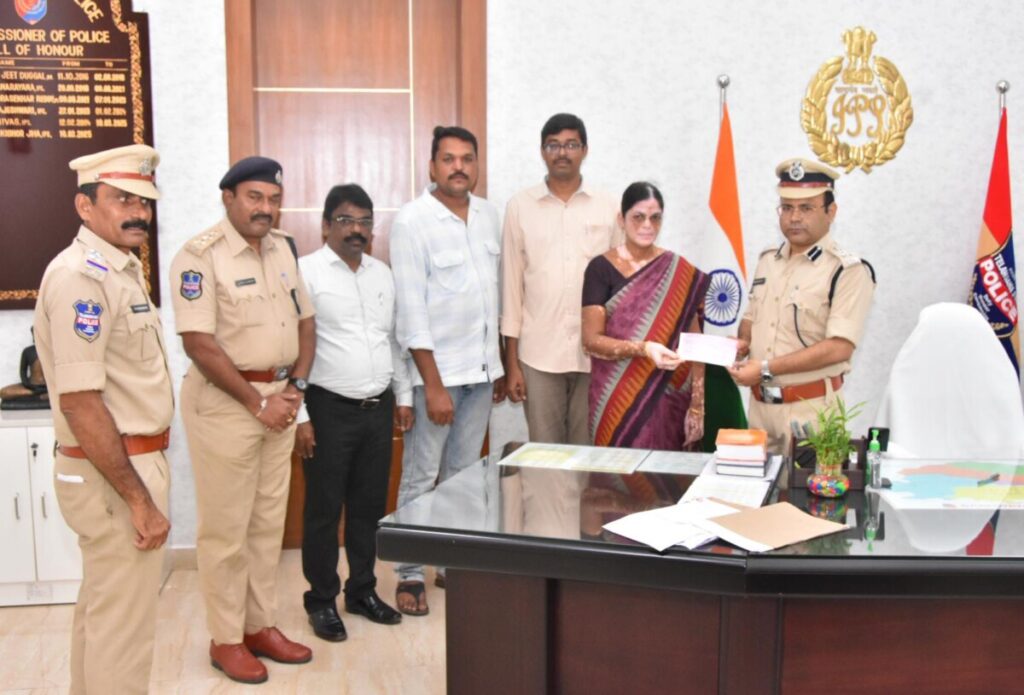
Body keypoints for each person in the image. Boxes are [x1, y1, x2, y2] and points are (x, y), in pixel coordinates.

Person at [170, 156, 316, 685]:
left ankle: (259, 626)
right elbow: (199, 345)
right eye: (255, 197)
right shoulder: (198, 256)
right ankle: (226, 638)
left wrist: (295, 388)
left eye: (273, 199)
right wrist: (257, 403)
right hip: (226, 406)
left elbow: (306, 323)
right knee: (226, 531)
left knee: (266, 526)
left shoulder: (282, 248)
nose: (265, 208)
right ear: (228, 197)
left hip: (280, 402)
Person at [33, 144, 172, 695]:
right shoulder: (81, 278)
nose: (138, 213)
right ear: (85, 206)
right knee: (123, 632)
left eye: (144, 201)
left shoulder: (118, 269)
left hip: (120, 465)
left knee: (104, 612)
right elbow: (81, 403)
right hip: (115, 473)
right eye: (122, 199)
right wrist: (140, 500)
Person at [390, 125, 505, 616]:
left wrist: (500, 364)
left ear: (476, 164)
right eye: (449, 158)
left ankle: (450, 563)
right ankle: (410, 571)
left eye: (467, 158)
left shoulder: (489, 216)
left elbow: (493, 297)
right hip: (437, 378)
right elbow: (411, 313)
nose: (459, 167)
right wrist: (432, 386)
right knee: (420, 476)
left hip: (481, 374)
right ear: (432, 166)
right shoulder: (411, 222)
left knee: (462, 475)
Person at [295, 183, 412, 641]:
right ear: (326, 225)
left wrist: (403, 396)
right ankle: (321, 600)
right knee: (324, 510)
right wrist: (301, 416)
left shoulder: (382, 274)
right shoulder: (305, 272)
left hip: (377, 409)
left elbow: (393, 341)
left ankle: (361, 590)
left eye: (365, 221)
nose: (356, 230)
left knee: (369, 507)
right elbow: (292, 349)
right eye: (346, 220)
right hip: (327, 408)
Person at [727, 158, 875, 455]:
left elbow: (839, 348)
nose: (794, 217)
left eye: (806, 208)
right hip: (760, 411)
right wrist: (742, 343)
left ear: (831, 212)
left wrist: (764, 368)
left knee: (810, 487)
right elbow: (751, 318)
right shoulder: (768, 260)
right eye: (787, 207)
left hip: (812, 414)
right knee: (758, 486)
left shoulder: (847, 270)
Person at [501, 112, 619, 443]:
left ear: (585, 150)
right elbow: (511, 288)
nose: (562, 153)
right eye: (553, 145)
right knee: (545, 455)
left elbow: (620, 287)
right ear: (542, 152)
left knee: (588, 456)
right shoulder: (520, 206)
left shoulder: (608, 206)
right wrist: (512, 363)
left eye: (571, 145)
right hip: (538, 354)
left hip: (595, 355)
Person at [582, 181, 710, 449]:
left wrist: (697, 405)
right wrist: (644, 348)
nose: (647, 225)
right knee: (615, 471)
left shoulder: (679, 271)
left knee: (666, 472)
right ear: (621, 219)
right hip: (615, 397)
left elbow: (695, 341)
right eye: (638, 217)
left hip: (670, 394)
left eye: (655, 218)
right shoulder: (601, 269)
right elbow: (591, 341)